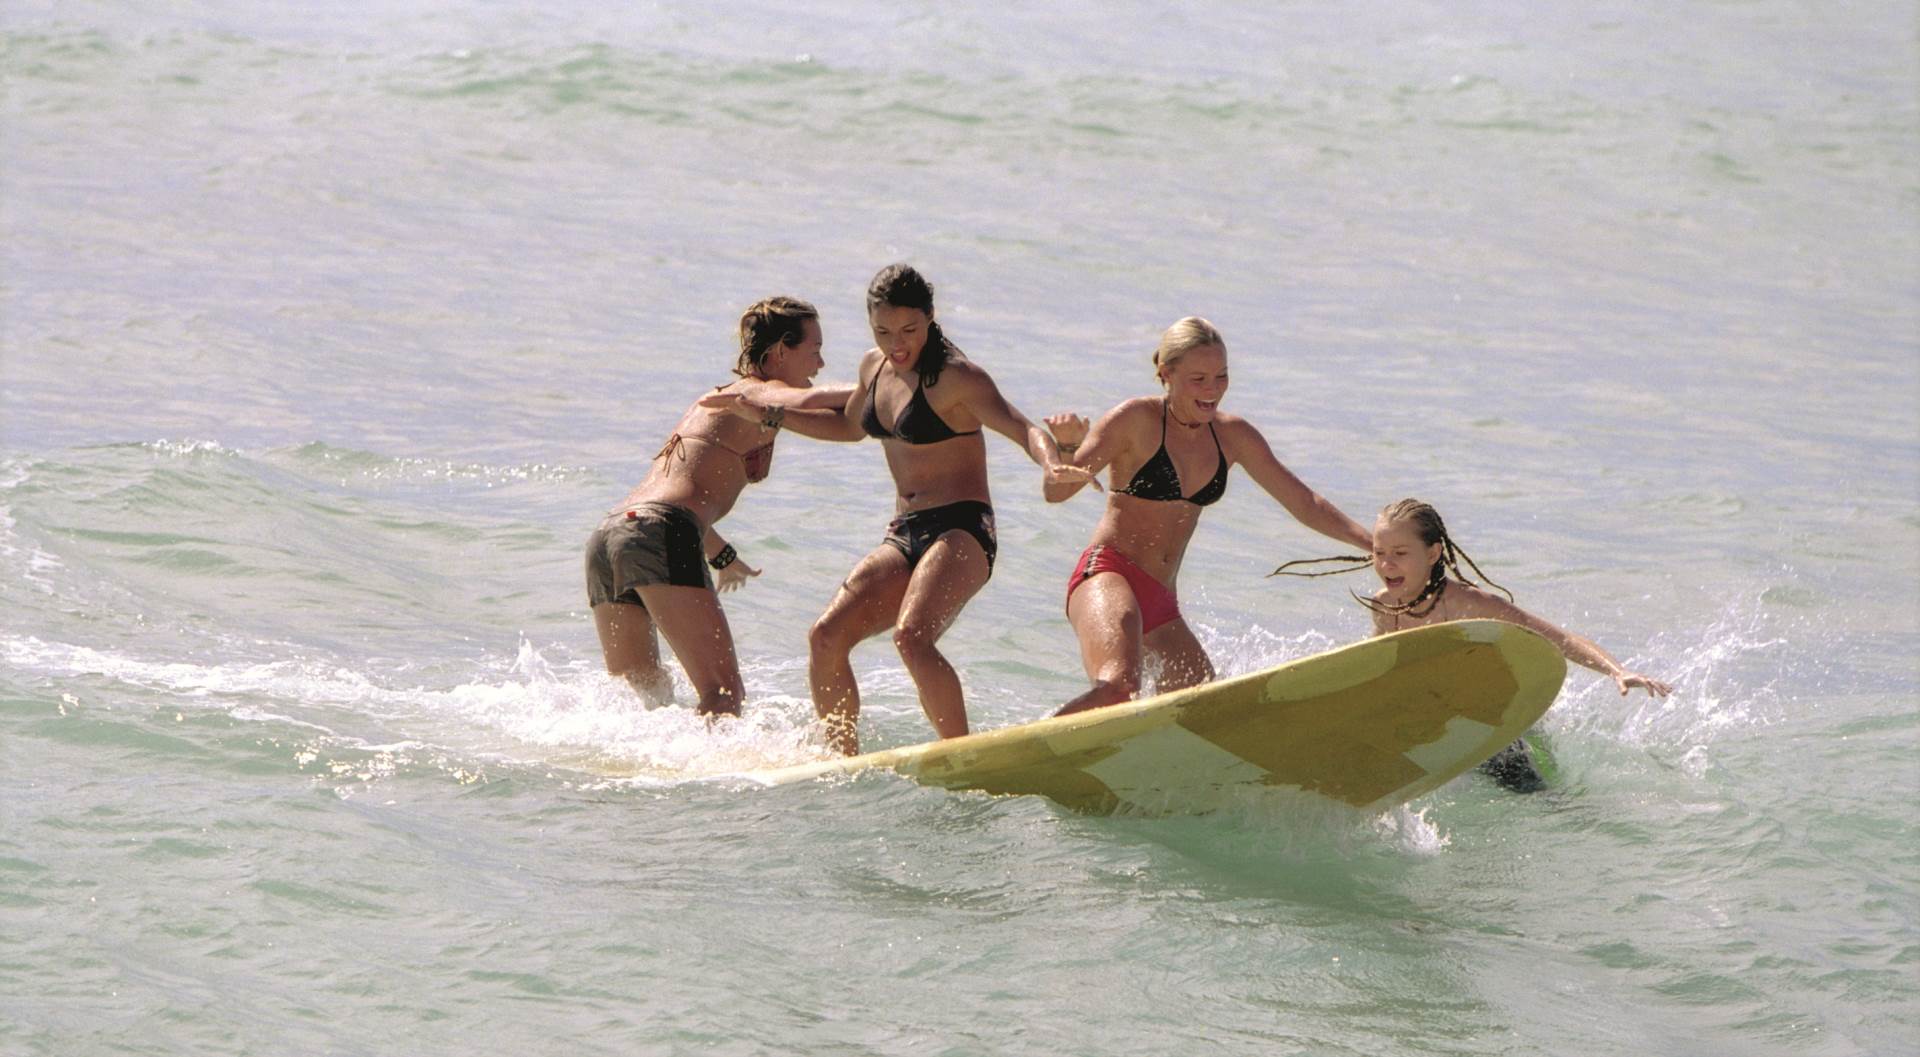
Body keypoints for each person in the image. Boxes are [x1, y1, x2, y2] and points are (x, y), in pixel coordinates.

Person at [805, 264, 1094, 755]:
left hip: (962, 528)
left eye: (909, 330)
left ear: (931, 317)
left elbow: (1023, 427)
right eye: (883, 331)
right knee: (825, 636)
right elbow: (850, 427)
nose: (897, 344)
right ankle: (840, 759)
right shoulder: (873, 367)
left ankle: (963, 755)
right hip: (903, 531)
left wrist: (1052, 462)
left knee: (911, 637)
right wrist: (772, 415)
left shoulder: (958, 378)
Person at [1042, 316, 1374, 716]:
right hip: (1109, 575)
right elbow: (1056, 492)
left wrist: (1373, 543)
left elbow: (1305, 502)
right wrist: (1066, 448)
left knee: (1199, 710)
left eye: (1221, 377)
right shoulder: (1135, 420)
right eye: (1198, 379)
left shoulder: (1233, 436)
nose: (1212, 390)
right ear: (1166, 374)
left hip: (1161, 601)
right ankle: (1028, 744)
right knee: (1118, 688)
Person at [1274, 497, 1674, 790]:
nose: (1385, 564)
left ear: (1433, 553)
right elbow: (1382, 668)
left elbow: (1559, 638)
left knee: (1533, 796)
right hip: (1431, 721)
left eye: (1399, 553)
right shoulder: (1384, 607)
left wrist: (1617, 671)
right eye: (1379, 553)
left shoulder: (1469, 603)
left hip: (1488, 728)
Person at [584, 295, 850, 717]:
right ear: (781, 351)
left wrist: (723, 557)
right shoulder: (757, 391)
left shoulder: (720, 399)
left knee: (642, 700)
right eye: (814, 350)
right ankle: (721, 763)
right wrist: (890, 381)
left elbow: (678, 496)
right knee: (723, 694)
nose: (820, 364)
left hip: (612, 536)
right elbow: (820, 401)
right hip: (658, 531)